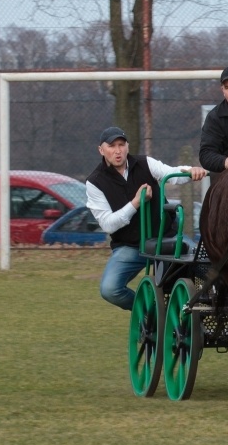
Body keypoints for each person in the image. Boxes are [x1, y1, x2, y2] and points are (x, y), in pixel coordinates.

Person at [87, 126, 207, 311]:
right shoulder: (95, 182)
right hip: (130, 246)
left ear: (127, 146)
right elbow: (108, 224)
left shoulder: (144, 163)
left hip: (165, 238)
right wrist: (135, 203)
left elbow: (171, 174)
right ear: (101, 150)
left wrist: (192, 171)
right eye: (112, 146)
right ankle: (151, 312)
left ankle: (208, 304)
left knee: (205, 265)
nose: (118, 151)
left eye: (121, 145)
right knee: (110, 289)